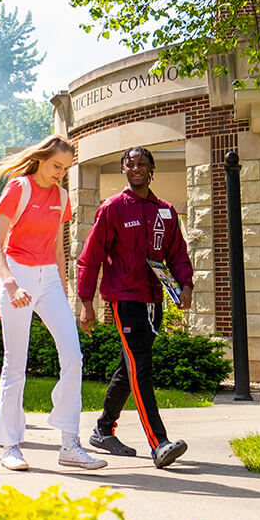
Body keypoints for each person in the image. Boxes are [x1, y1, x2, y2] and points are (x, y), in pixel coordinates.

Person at [0, 134, 106, 471]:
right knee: (15, 363)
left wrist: (64, 290)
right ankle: (11, 445)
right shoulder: (18, 188)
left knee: (73, 356)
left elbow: (57, 248)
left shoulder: (62, 196)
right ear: (40, 159)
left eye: (66, 169)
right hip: (17, 272)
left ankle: (70, 443)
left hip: (48, 277)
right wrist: (8, 283)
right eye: (57, 166)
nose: (60, 174)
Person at [77, 146, 194, 469]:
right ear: (123, 169)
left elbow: (178, 254)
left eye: (142, 163)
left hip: (154, 300)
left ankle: (103, 429)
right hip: (124, 299)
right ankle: (159, 443)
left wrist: (185, 284)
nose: (136, 168)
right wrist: (86, 303)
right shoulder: (112, 209)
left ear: (150, 168)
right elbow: (91, 258)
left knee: (128, 368)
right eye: (130, 164)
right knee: (140, 367)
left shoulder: (165, 211)